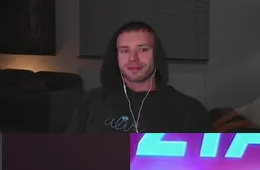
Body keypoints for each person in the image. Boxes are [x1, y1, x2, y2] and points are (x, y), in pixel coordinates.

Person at [66, 21, 210, 133]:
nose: (133, 58)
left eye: (143, 49)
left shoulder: (190, 110)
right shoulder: (90, 102)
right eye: (124, 51)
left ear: (156, 55)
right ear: (116, 57)